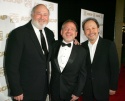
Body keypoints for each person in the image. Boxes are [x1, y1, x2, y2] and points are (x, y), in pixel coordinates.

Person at [5, 4, 55, 101]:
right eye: (39, 14)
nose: (42, 17)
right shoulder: (19, 33)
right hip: (24, 91)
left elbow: (52, 54)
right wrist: (16, 90)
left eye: (45, 15)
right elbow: (11, 65)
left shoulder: (49, 33)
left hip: (43, 88)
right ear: (32, 15)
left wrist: (72, 42)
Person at [81, 17, 119, 101]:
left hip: (103, 87)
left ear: (98, 29)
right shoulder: (82, 47)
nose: (91, 31)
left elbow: (115, 67)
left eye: (93, 28)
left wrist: (113, 86)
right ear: (84, 32)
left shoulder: (109, 45)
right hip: (86, 88)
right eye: (87, 29)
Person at [50, 19, 87, 101]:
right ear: (61, 32)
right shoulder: (53, 45)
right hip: (54, 91)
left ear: (76, 34)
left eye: (72, 29)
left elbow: (83, 74)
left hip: (71, 92)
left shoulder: (82, 51)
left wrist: (77, 92)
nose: (69, 31)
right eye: (66, 28)